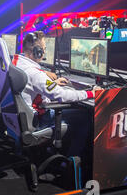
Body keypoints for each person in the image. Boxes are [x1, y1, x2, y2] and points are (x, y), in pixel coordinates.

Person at [15, 31, 102, 171]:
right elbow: (62, 96)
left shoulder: (17, 63)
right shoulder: (36, 74)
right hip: (36, 122)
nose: (44, 52)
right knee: (84, 116)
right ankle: (70, 163)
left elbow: (38, 82)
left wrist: (50, 81)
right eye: (44, 49)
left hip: (21, 119)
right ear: (37, 52)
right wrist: (91, 93)